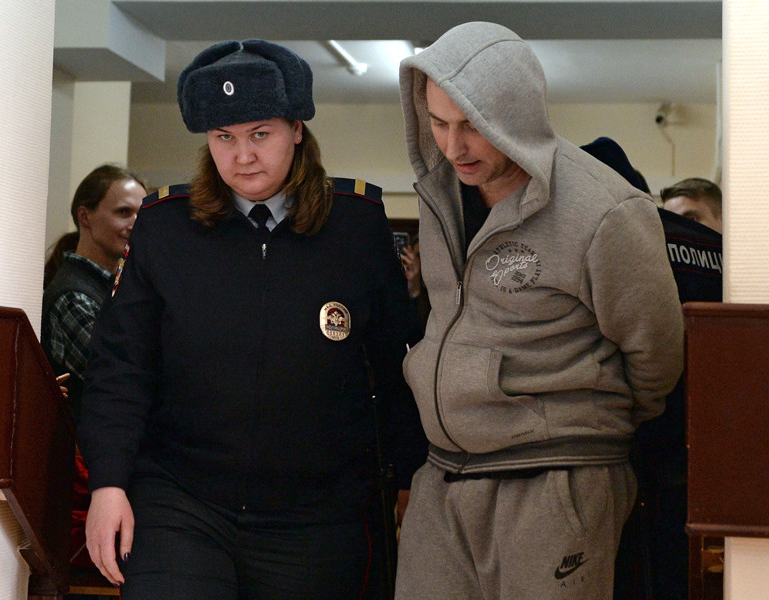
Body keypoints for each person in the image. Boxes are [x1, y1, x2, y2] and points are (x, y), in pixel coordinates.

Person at [78, 39, 426, 600]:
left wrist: (410, 475)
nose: (242, 156)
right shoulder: (164, 228)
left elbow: (394, 364)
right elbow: (120, 368)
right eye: (224, 138)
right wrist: (109, 483)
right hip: (181, 500)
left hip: (317, 515)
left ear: (296, 130)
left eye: (260, 134)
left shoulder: (356, 226)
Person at [394, 22, 685, 600]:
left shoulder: (607, 211)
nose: (453, 147)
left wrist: (582, 431)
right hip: (443, 476)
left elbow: (657, 356)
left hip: (557, 476)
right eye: (438, 123)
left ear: (516, 114)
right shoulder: (439, 192)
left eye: (471, 125)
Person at [579, 138, 723, 600]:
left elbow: (649, 350)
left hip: (634, 443)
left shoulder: (625, 238)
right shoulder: (716, 252)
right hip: (701, 445)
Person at [41, 164, 145, 422]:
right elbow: (124, 383)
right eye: (123, 212)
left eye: (142, 214)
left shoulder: (123, 288)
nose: (137, 224)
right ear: (85, 217)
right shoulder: (73, 298)